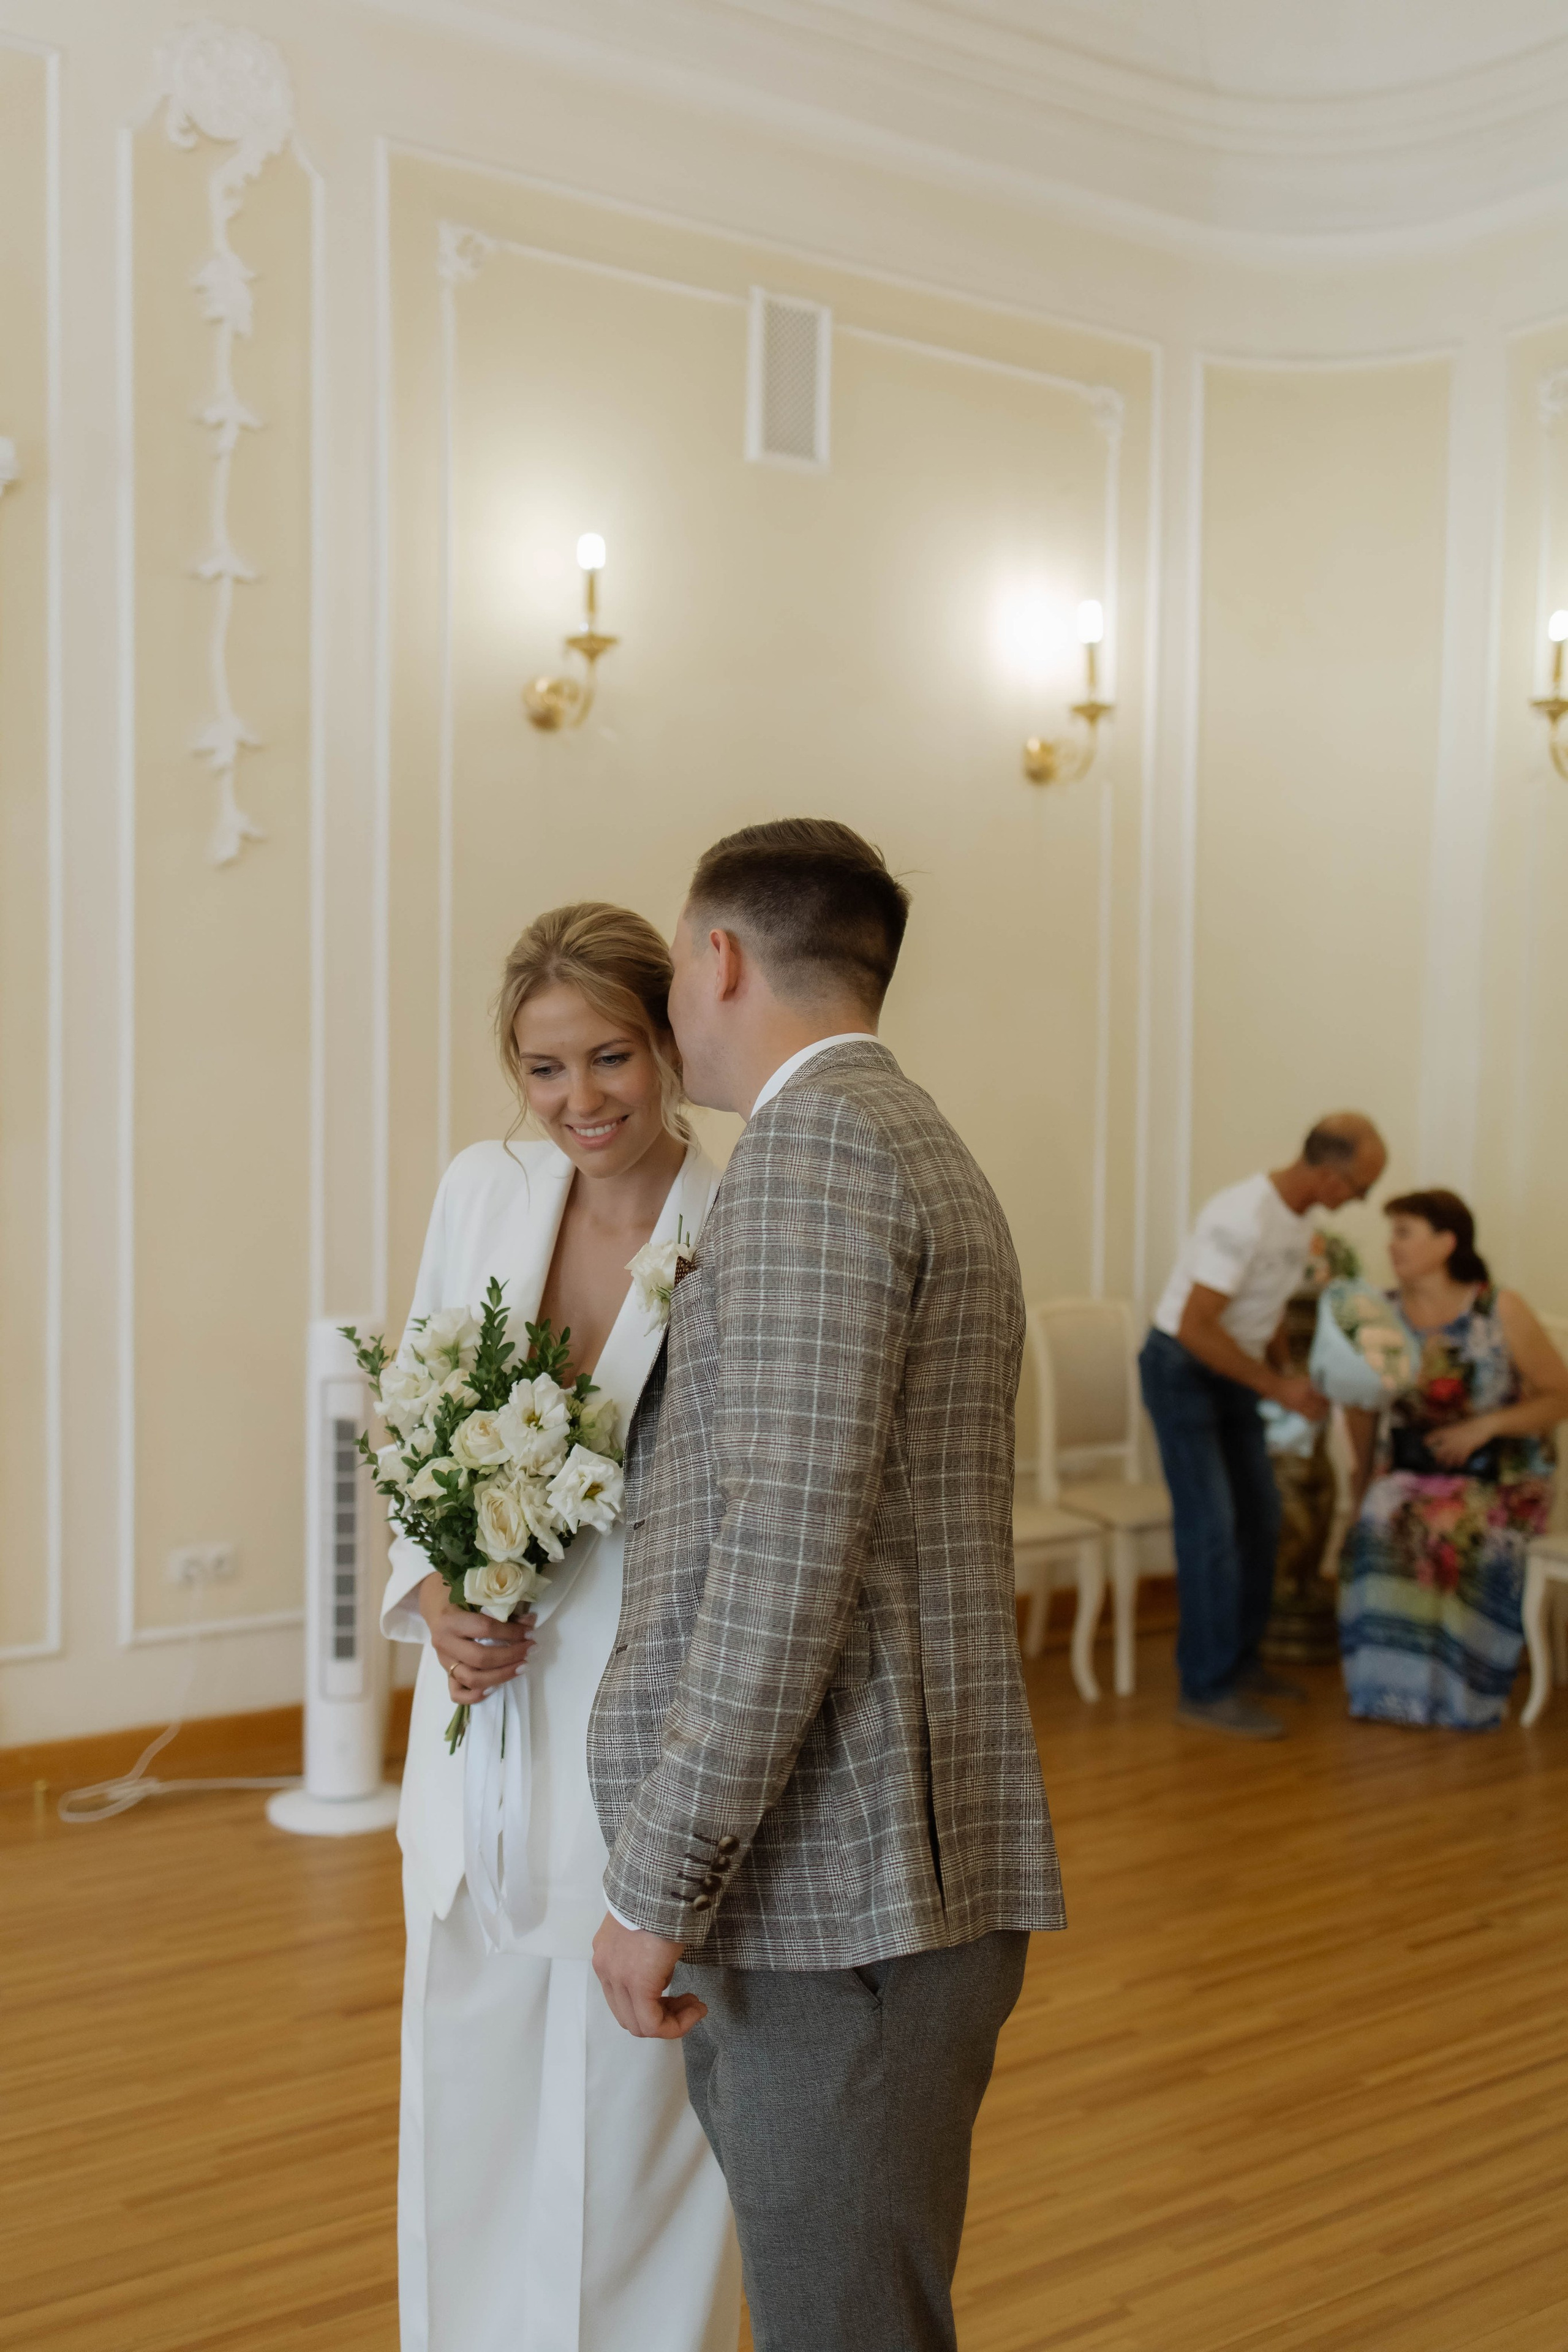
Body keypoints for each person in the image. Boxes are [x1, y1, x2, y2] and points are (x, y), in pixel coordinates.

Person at [587, 818, 1063, 2352]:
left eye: (670, 968)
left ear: (716, 958)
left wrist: (657, 1880)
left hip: (832, 1895)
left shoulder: (811, 1154)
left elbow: (783, 1558)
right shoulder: (901, 1130)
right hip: (866, 1871)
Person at [379, 904, 740, 2352]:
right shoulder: (484, 1188)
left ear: (667, 1046)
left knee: (626, 2118)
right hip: (477, 1720)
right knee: (459, 2088)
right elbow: (414, 1397)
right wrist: (431, 1592)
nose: (580, 1099)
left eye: (611, 1056)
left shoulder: (735, 1218)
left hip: (639, 1725)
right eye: (544, 1067)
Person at [1139, 1114, 1388, 1740]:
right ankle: (1204, 1687)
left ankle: (1240, 1662)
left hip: (1232, 1371)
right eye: (1359, 1187)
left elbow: (1265, 1304)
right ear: (1328, 1175)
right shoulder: (1241, 1215)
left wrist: (1284, 1368)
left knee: (1263, 1519)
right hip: (1184, 1370)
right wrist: (1276, 1386)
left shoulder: (1297, 1219)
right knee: (1213, 1532)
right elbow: (1197, 1326)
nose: (1358, 1200)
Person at [1338, 1189, 1568, 1729]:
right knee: (1378, 1520)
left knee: (1455, 1525)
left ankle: (1461, 1693)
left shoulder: (1499, 1308)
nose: (1392, 1245)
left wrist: (1484, 1426)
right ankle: (1389, 1692)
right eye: (1391, 1232)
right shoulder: (1381, 1315)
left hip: (1503, 1476)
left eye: (1404, 1232)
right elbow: (1362, 1408)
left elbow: (1560, 1394)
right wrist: (1359, 1486)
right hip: (1416, 1470)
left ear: (1447, 1242)